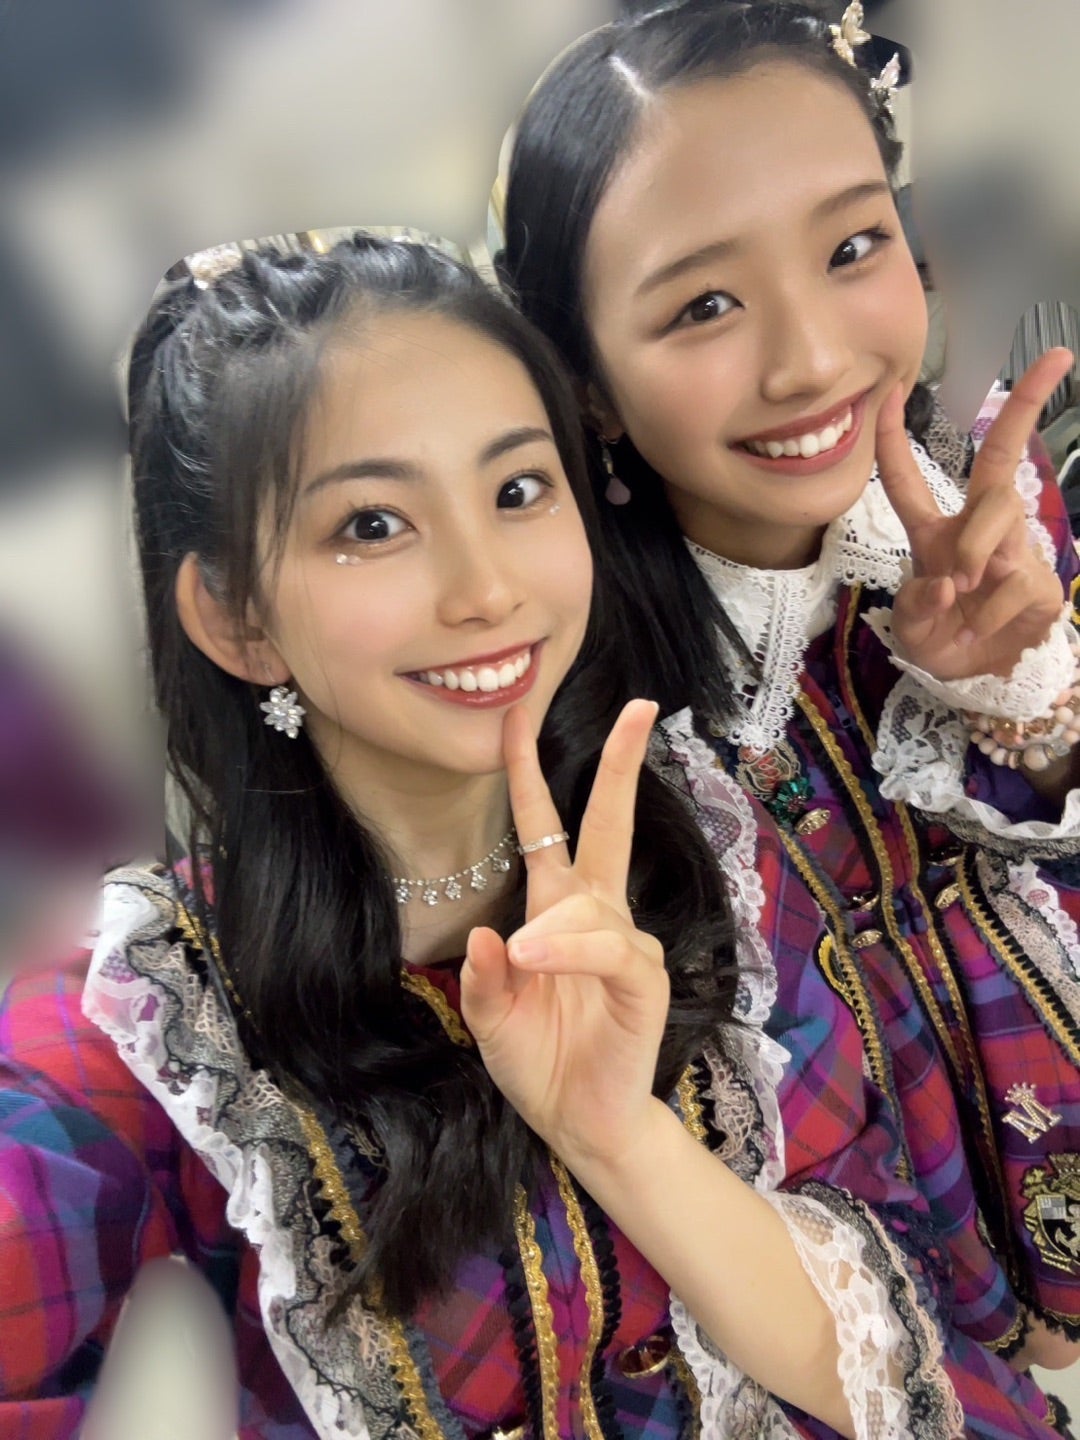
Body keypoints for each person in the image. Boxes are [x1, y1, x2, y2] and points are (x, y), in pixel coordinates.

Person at [0, 234, 957, 1438]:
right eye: (372, 524)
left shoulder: (708, 852)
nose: (487, 589)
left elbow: (889, 1357)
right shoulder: (136, 1042)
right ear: (239, 619)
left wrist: (626, 1143)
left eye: (516, 492)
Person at [499, 1, 1080, 1434]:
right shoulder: (576, 718)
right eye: (705, 305)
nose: (813, 357)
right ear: (587, 384)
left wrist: (1024, 701)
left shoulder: (1003, 518)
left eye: (851, 247)